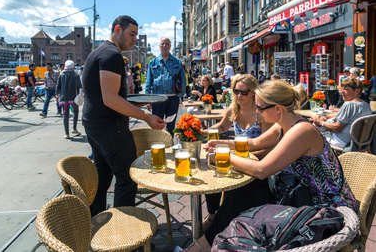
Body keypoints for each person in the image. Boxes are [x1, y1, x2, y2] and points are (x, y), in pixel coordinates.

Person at [184, 80, 358, 251]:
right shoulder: (284, 124)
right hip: (296, 195)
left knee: (247, 189)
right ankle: (210, 240)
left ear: (277, 109)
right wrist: (220, 144)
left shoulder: (302, 131)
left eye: (260, 107)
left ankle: (205, 243)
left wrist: (223, 157)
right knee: (242, 189)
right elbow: (254, 143)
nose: (257, 112)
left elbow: (262, 170)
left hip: (324, 209)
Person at [82, 15, 165, 216]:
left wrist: (136, 103)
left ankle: (95, 223)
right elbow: (110, 99)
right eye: (132, 34)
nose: (135, 39)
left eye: (136, 34)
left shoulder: (99, 52)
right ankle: (122, 234)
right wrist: (145, 116)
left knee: (102, 176)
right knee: (127, 178)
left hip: (94, 124)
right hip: (111, 127)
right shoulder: (112, 55)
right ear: (117, 29)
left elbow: (103, 95)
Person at [202, 74, 273, 231]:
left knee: (233, 189)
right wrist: (201, 131)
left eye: (244, 92)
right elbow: (221, 127)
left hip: (257, 162)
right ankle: (213, 214)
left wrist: (247, 158)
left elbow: (268, 147)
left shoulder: (261, 114)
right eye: (236, 92)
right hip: (237, 159)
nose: (239, 96)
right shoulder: (233, 110)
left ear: (253, 93)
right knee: (210, 174)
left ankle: (222, 223)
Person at [312, 78, 372, 148]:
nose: (342, 92)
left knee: (313, 134)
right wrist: (327, 117)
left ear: (357, 91)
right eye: (342, 89)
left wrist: (321, 122)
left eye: (346, 89)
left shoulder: (348, 104)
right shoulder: (365, 105)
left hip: (341, 141)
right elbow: (350, 117)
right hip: (358, 141)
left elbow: (337, 127)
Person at [145, 37, 186, 135]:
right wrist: (147, 99)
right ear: (159, 46)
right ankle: (158, 147)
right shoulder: (153, 62)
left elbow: (183, 79)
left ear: (170, 46)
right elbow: (148, 81)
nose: (164, 46)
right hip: (157, 99)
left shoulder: (177, 62)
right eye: (163, 43)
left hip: (172, 99)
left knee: (171, 126)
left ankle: (169, 147)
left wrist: (180, 95)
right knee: (156, 125)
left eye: (167, 44)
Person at [56, 60, 82, 139]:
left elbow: (58, 86)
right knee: (76, 112)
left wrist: (57, 94)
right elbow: (79, 86)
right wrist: (80, 94)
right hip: (73, 97)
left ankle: (66, 133)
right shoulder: (75, 74)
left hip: (64, 98)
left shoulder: (61, 74)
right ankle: (74, 128)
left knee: (65, 114)